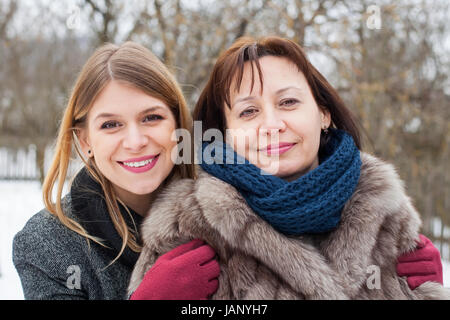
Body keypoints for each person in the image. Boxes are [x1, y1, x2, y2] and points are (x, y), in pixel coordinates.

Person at [129, 36, 447, 299]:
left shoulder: (385, 213)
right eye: (249, 111)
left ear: (323, 113)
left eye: (288, 103)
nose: (271, 125)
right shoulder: (187, 225)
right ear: (225, 135)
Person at [12, 42, 219, 300]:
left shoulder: (227, 215)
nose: (135, 141)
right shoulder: (47, 245)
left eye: (151, 117)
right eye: (111, 124)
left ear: (177, 124)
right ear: (85, 140)